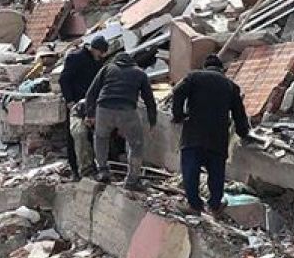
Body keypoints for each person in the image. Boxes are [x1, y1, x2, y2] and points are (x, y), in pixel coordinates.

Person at [171, 54, 251, 214]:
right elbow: (239, 114)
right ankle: (215, 205)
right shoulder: (230, 86)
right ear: (222, 69)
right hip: (217, 137)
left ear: (205, 67)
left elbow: (177, 91)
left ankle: (194, 205)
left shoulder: (194, 77)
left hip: (194, 133)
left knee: (190, 170)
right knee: (216, 173)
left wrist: (179, 115)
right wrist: (244, 133)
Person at [84, 51, 157, 192]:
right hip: (127, 110)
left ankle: (103, 171)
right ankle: (132, 180)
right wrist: (152, 122)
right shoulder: (139, 73)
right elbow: (149, 100)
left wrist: (90, 114)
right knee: (136, 144)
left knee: (100, 138)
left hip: (104, 108)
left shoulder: (107, 68)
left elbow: (90, 93)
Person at [59, 36, 109, 178]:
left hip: (92, 105)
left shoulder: (98, 62)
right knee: (76, 136)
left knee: (93, 136)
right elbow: (64, 79)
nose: (102, 56)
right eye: (101, 53)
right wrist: (69, 101)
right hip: (75, 104)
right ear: (95, 49)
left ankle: (92, 168)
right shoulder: (75, 58)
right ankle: (76, 170)